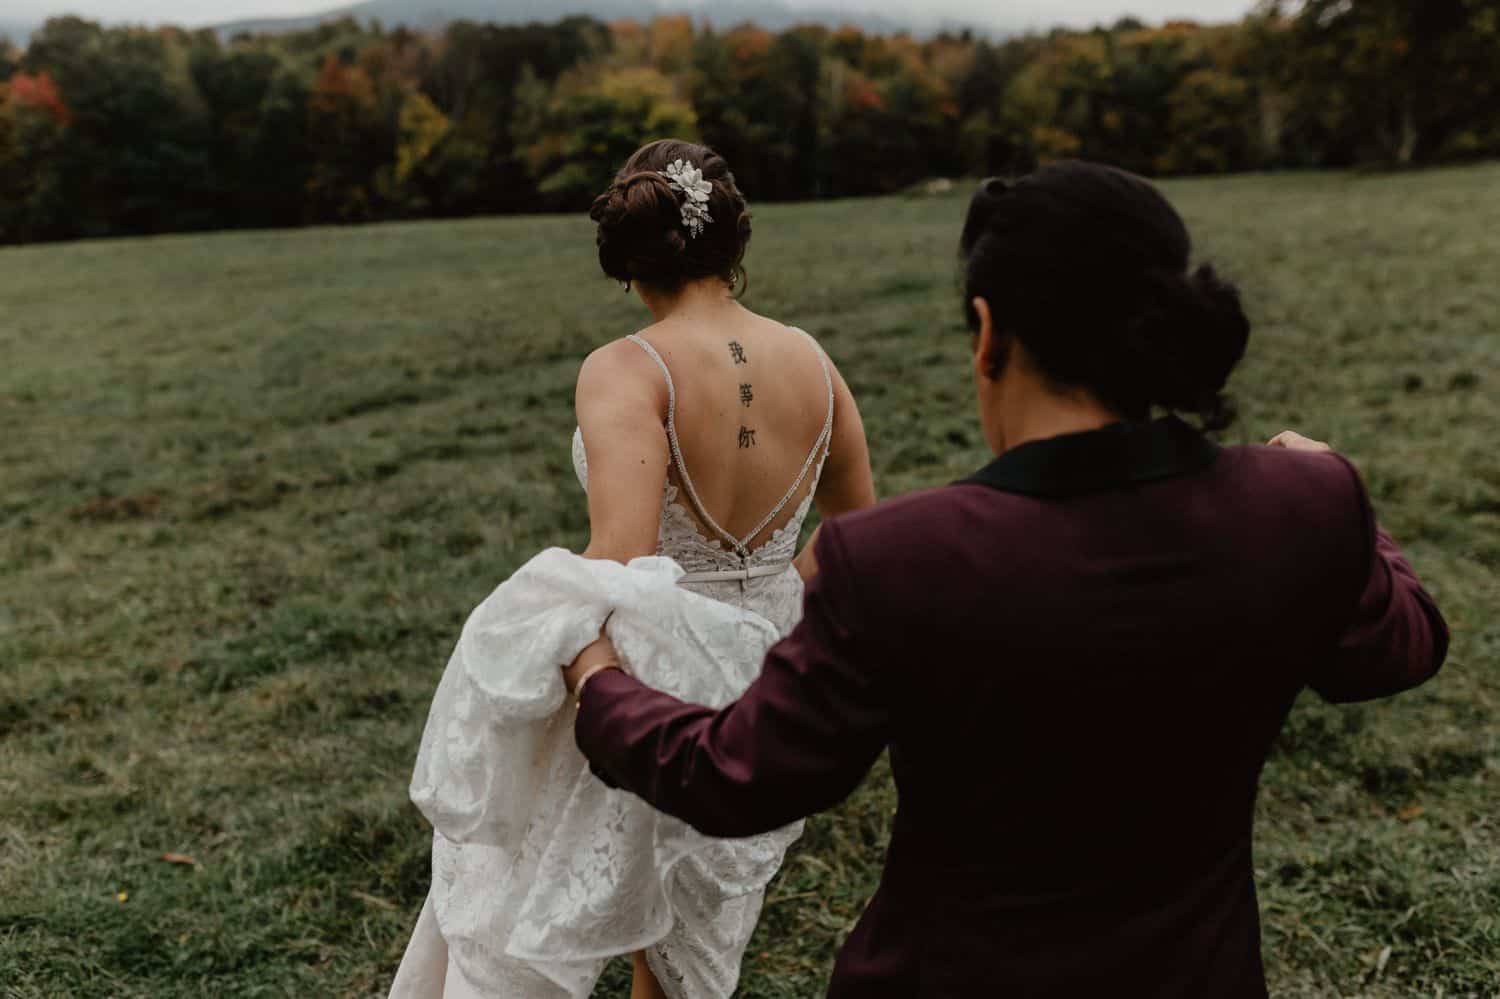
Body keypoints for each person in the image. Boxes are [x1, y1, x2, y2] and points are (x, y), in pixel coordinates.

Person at [564, 161, 1449, 997]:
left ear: (988, 337)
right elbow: (1402, 648)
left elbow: (732, 775)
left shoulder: (901, 561)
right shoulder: (1304, 505)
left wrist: (598, 676)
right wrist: (1344, 492)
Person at [391, 138, 876, 999]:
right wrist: (769, 603)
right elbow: (857, 530)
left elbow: (620, 559)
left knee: (545, 900)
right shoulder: (815, 360)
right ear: (735, 241)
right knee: (688, 939)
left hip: (644, 671)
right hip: (767, 668)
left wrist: (555, 641)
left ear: (626, 260)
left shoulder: (626, 368)